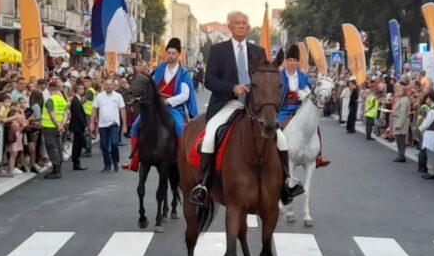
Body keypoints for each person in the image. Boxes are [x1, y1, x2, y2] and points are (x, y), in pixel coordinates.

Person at [188, 11, 304, 206]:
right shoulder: (218, 50)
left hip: (254, 106)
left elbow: (267, 78)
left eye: (245, 23)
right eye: (237, 23)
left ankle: (287, 182)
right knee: (210, 136)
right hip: (227, 103)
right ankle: (203, 185)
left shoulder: (258, 51)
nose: (241, 26)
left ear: (248, 28)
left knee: (281, 137)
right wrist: (233, 88)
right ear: (230, 26)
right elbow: (210, 81)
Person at [123, 37, 198, 171]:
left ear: (178, 55)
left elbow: (185, 95)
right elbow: (149, 83)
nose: (170, 56)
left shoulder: (184, 73)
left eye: (173, 53)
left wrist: (168, 101)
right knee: (135, 125)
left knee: (180, 128)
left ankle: (182, 159)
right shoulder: (160, 68)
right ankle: (135, 160)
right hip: (156, 106)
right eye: (168, 53)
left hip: (173, 108)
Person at [276, 44, 331, 167]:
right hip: (284, 109)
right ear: (286, 61)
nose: (291, 63)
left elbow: (310, 91)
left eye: (294, 61)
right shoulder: (279, 75)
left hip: (300, 109)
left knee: (315, 127)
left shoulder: (303, 76)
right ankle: (272, 154)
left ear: (298, 62)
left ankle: (319, 156)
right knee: (274, 129)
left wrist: (305, 93)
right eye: (289, 60)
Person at [91, 79, 127, 173]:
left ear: (113, 86)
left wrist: (125, 125)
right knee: (104, 146)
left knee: (114, 144)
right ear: (104, 85)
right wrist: (91, 123)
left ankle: (115, 162)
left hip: (114, 124)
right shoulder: (99, 96)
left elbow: (122, 110)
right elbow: (94, 110)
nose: (108, 86)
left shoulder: (118, 96)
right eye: (106, 85)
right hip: (103, 124)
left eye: (110, 85)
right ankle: (107, 164)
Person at [41, 81, 69, 179]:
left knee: (52, 148)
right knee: (58, 146)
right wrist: (62, 125)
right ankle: (58, 167)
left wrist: (57, 125)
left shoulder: (50, 100)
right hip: (59, 127)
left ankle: (56, 170)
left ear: (49, 89)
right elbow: (66, 114)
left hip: (49, 127)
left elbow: (51, 114)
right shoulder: (62, 100)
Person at [419, 92, 434, 179]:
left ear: (430, 98)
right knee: (432, 152)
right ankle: (432, 170)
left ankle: (432, 171)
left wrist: (421, 128)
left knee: (431, 153)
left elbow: (427, 122)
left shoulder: (433, 110)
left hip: (431, 133)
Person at [69, 83, 88, 171]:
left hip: (78, 126)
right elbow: (79, 115)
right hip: (77, 126)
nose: (83, 91)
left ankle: (76, 161)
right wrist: (85, 125)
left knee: (78, 144)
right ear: (77, 90)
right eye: (81, 89)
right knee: (78, 144)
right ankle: (76, 161)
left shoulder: (77, 100)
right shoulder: (76, 101)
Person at [392, 83, 411, 162]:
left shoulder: (404, 100)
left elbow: (403, 113)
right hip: (398, 121)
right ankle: (400, 155)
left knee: (401, 141)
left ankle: (401, 155)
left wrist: (398, 124)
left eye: (400, 90)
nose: (398, 91)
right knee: (399, 140)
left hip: (401, 123)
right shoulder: (402, 99)